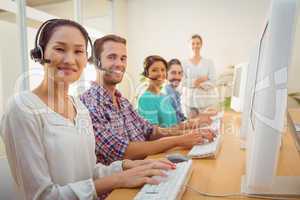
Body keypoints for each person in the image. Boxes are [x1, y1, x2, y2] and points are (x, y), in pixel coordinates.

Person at [0, 19, 175, 200]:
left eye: (78, 51)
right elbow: (43, 196)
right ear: (40, 52)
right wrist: (118, 179)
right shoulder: (23, 108)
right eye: (60, 49)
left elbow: (88, 172)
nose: (70, 60)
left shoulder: (79, 107)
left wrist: (125, 167)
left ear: (86, 59)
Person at [80, 35, 212, 166]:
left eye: (123, 58)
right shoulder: (90, 103)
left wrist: (190, 133)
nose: (119, 63)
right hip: (126, 179)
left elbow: (150, 131)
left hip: (148, 164)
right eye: (112, 57)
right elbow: (121, 151)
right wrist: (179, 140)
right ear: (96, 62)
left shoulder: (123, 102)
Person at [138, 55, 213, 129]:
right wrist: (193, 127)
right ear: (147, 73)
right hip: (173, 139)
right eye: (154, 70)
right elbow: (155, 134)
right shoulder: (146, 98)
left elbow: (175, 124)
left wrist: (197, 120)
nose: (160, 74)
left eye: (163, 70)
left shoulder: (163, 96)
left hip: (178, 137)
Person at [182, 34, 218, 117]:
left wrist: (197, 84)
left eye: (198, 43)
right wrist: (201, 80)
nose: (195, 46)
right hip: (189, 102)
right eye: (193, 43)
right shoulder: (184, 63)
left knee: (206, 126)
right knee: (191, 127)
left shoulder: (209, 62)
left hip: (206, 101)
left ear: (201, 45)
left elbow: (213, 81)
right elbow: (183, 82)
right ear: (189, 45)